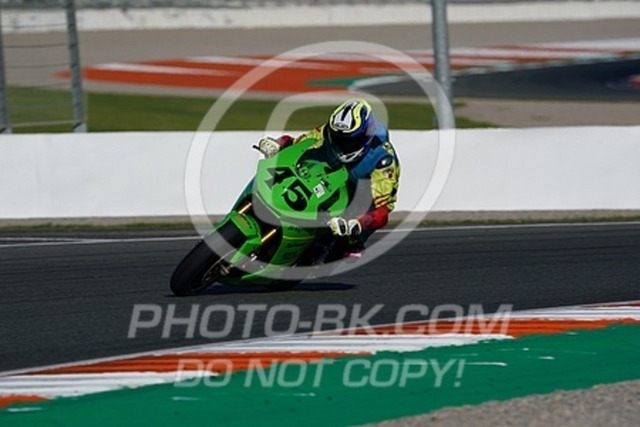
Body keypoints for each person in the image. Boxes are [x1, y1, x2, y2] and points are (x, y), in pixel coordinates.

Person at [256, 99, 400, 260]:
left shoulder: (383, 160)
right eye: (337, 137)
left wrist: (360, 222)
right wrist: (278, 144)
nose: (341, 144)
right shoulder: (328, 130)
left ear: (364, 137)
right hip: (334, 172)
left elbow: (383, 211)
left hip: (361, 191)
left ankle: (343, 247)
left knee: (347, 244)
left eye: (348, 140)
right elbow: (299, 142)